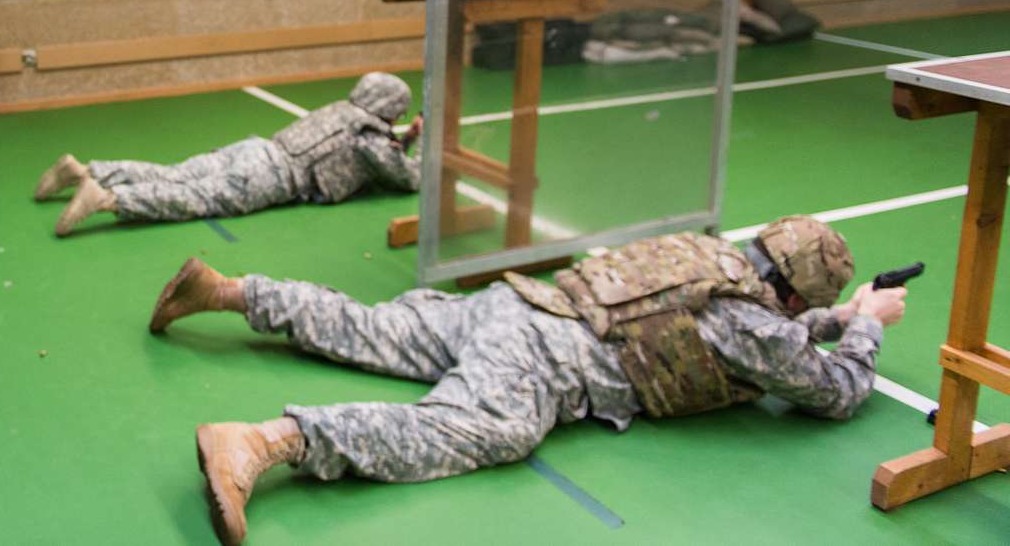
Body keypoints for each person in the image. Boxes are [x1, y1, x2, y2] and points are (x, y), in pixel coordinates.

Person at [147, 215, 905, 545]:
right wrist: (866, 322)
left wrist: (829, 320)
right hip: (543, 357)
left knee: (376, 328)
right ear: (797, 292)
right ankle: (266, 442)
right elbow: (836, 394)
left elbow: (740, 336)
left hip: (518, 302)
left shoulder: (714, 257)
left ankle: (227, 289)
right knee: (480, 430)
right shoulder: (761, 328)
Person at [35, 72, 422, 236]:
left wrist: (405, 139)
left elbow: (376, 157)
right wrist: (417, 151)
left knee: (176, 173)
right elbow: (403, 177)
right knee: (196, 198)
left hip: (257, 148)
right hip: (274, 176)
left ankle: (85, 169)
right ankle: (108, 199)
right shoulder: (370, 135)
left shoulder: (343, 110)